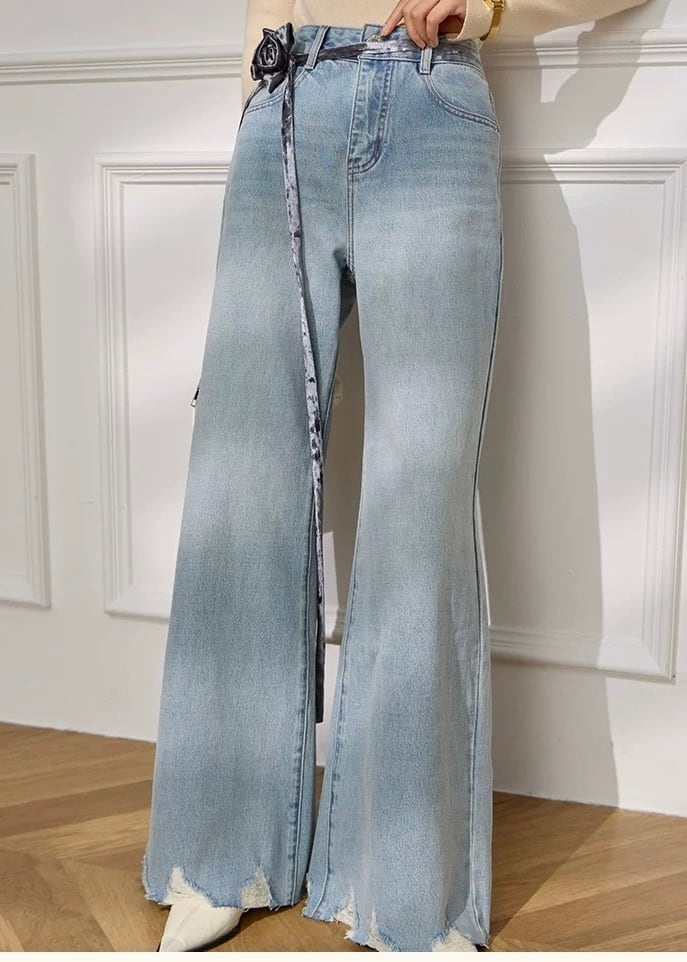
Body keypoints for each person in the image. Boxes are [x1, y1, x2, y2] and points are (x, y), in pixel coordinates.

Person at [141, 0, 650, 952]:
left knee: (420, 499)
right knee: (240, 487)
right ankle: (219, 850)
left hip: (430, 105)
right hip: (281, 104)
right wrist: (253, 102)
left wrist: (488, 7)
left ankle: (404, 888)